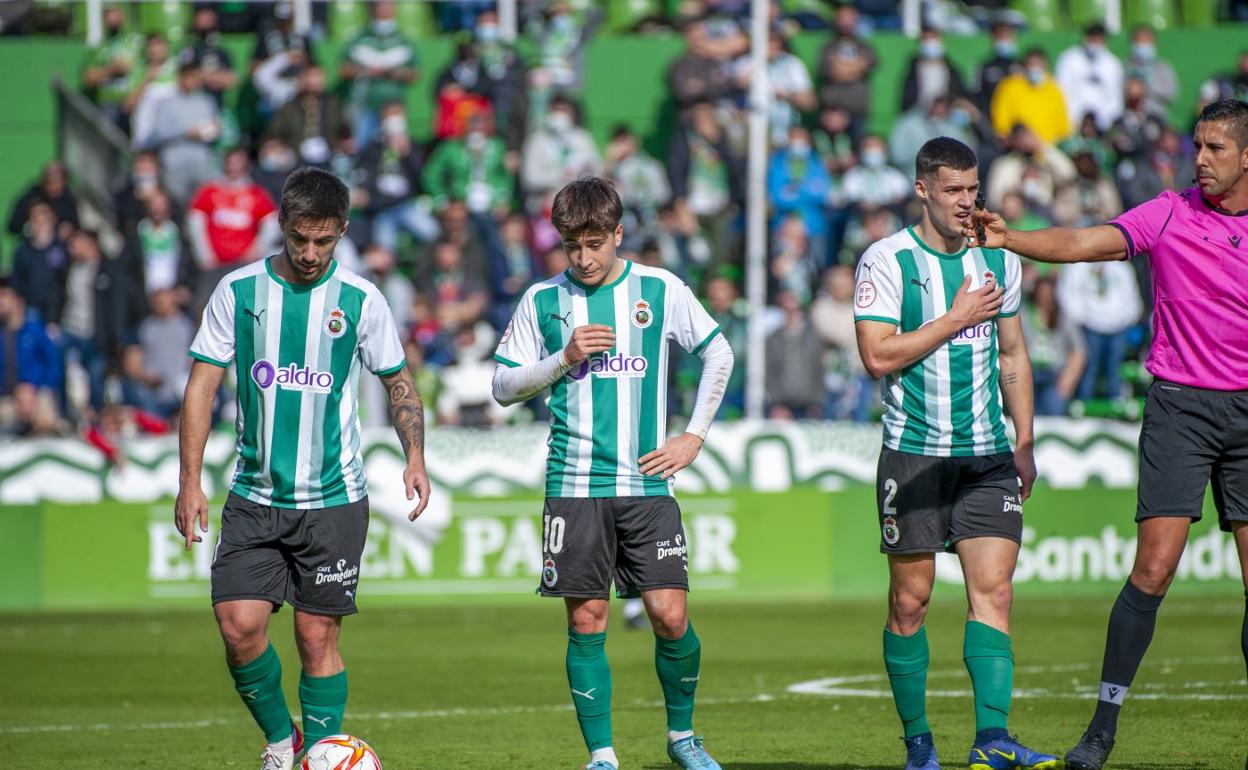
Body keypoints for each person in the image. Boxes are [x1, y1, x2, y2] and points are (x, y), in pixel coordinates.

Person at [964, 99, 1248, 770]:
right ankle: (1100, 732)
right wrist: (1013, 239)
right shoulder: (1170, 211)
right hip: (1181, 409)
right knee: (1152, 570)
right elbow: (1082, 242)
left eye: (1215, 148)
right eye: (1197, 145)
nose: (1200, 159)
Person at [174, 167, 431, 770]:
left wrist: (415, 456)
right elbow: (200, 389)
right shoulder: (237, 292)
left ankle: (318, 755)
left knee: (317, 638)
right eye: (298, 239)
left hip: (335, 500)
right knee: (238, 627)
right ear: (281, 227)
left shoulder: (363, 300)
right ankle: (281, 741)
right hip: (254, 497)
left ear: (341, 231)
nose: (311, 253)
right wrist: (189, 481)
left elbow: (400, 384)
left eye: (323, 241)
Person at [490, 177, 734, 770]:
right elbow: (501, 387)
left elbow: (718, 353)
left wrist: (693, 437)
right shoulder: (542, 301)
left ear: (619, 235)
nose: (584, 258)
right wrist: (563, 358)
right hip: (574, 487)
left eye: (595, 244)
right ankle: (602, 755)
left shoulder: (659, 288)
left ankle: (682, 738)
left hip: (648, 484)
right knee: (587, 618)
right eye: (572, 246)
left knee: (669, 614)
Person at [853, 137, 1058, 770]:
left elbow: (1013, 354)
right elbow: (877, 356)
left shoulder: (997, 259)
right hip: (913, 456)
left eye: (972, 190)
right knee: (910, 602)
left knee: (993, 592)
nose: (966, 203)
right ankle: (918, 744)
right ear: (922, 190)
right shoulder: (885, 261)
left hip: (988, 455)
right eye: (952, 191)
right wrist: (954, 315)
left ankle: (992, 740)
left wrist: (1023, 441)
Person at [339, 0, 420, 149]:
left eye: (388, 4)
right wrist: (367, 71)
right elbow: (343, 69)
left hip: (393, 106)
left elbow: (415, 74)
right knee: (360, 148)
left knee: (396, 150)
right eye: (379, 4)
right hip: (365, 105)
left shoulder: (403, 39)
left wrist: (394, 72)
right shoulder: (360, 37)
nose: (383, 8)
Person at [1055, 24, 1123, 133]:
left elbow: (1115, 98)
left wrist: (1109, 123)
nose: (1095, 42)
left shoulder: (1112, 63)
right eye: (1092, 37)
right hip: (1074, 123)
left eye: (1099, 38)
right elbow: (1062, 91)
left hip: (1103, 125)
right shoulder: (1069, 59)